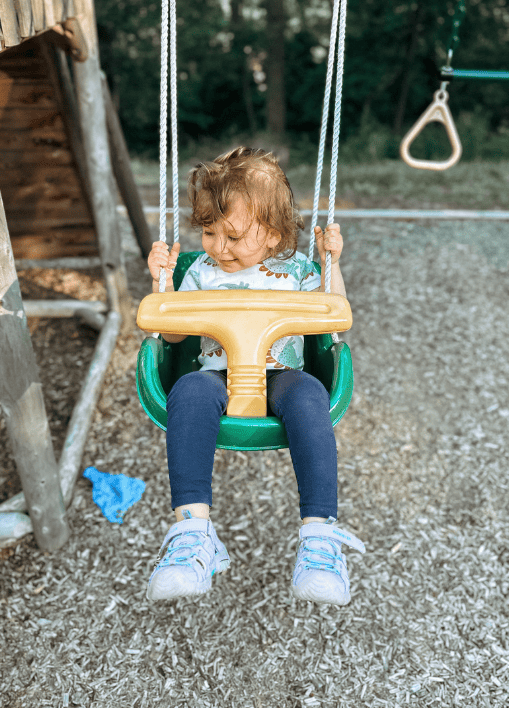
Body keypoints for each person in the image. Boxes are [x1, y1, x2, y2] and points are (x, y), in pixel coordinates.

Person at [145, 147, 365, 606]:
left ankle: (320, 540)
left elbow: (333, 319)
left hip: (282, 376)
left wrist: (332, 264)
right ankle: (192, 535)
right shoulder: (202, 271)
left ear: (273, 235)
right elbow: (171, 331)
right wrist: (162, 282)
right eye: (209, 232)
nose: (218, 247)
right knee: (188, 390)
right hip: (217, 375)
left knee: (310, 396)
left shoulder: (298, 270)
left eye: (233, 235)